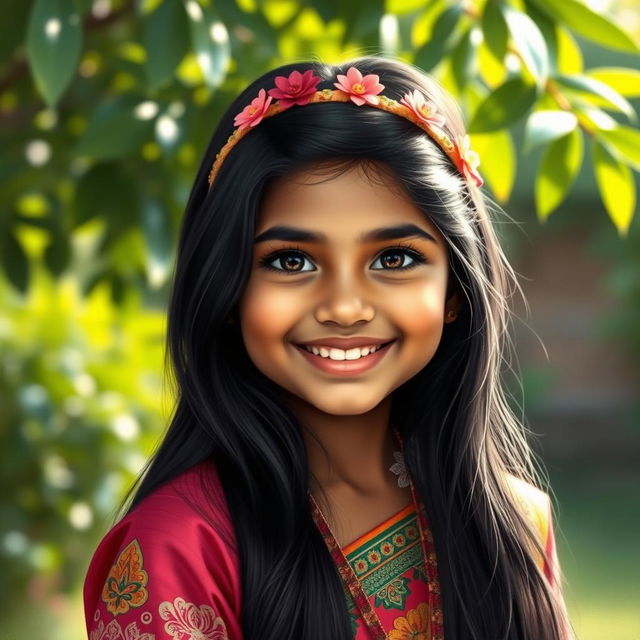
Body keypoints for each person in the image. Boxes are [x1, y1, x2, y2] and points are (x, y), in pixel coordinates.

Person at [83, 55, 574, 640]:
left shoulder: (512, 523)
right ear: (229, 287)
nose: (345, 307)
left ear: (455, 292)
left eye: (394, 259)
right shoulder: (180, 546)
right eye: (291, 261)